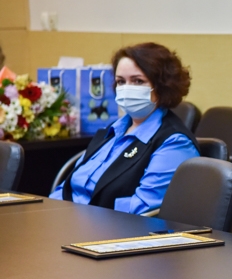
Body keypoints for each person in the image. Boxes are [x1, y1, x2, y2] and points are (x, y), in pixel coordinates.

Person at [51, 43, 199, 214]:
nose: (126, 89)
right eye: (121, 81)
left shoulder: (174, 143)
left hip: (109, 226)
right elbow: (68, 187)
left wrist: (77, 216)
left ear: (162, 86)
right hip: (66, 218)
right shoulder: (112, 131)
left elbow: (142, 208)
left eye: (138, 81)